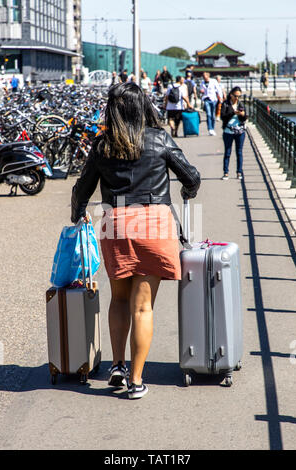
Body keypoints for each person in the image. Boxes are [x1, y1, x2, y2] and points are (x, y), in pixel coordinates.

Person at [71, 82, 201, 399]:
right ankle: (137, 380)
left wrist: (77, 215)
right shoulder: (159, 139)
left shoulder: (103, 145)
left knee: (118, 299)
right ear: (142, 106)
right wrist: (188, 193)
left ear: (113, 110)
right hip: (154, 224)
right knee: (142, 307)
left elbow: (81, 190)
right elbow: (191, 176)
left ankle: (117, 365)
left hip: (115, 223)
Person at [220, 86, 248, 181]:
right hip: (228, 131)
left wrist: (243, 115)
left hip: (240, 131)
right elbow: (223, 117)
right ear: (231, 95)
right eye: (235, 96)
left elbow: (244, 118)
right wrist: (233, 113)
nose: (237, 98)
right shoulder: (226, 104)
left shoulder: (241, 104)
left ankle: (239, 172)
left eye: (239, 96)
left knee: (239, 152)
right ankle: (226, 172)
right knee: (227, 152)